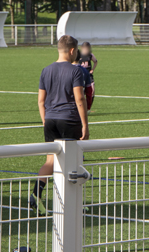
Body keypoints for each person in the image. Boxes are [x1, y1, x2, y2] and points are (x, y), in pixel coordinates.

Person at [31, 35, 89, 213]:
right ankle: (75, 203)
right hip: (69, 119)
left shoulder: (46, 70)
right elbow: (79, 98)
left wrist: (45, 121)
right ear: (72, 50)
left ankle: (36, 196)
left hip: (50, 120)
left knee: (50, 160)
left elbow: (41, 101)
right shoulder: (75, 70)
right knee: (75, 161)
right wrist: (85, 124)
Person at [78, 42, 98, 109]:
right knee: (82, 92)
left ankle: (88, 107)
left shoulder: (90, 55)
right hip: (81, 76)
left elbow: (95, 61)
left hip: (89, 75)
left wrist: (92, 69)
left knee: (92, 91)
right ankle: (81, 107)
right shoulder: (79, 55)